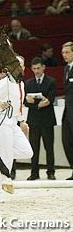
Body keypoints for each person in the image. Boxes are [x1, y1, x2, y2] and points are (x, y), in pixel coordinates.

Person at [0, 56, 33, 203]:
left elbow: (19, 105)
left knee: (27, 152)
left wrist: (22, 120)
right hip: (2, 120)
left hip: (13, 122)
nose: (20, 67)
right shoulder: (3, 83)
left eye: (22, 65)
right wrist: (0, 102)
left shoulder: (21, 84)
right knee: (6, 158)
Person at [25, 57, 57, 180]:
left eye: (38, 68)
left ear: (43, 67)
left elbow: (51, 98)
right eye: (34, 68)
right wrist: (30, 102)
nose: (36, 71)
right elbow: (25, 101)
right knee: (34, 147)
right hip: (33, 119)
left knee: (49, 146)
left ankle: (50, 171)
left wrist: (43, 102)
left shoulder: (51, 81)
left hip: (47, 119)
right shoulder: (28, 83)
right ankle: (34, 172)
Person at [0, 69, 17, 180]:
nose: (1, 72)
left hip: (12, 117)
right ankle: (6, 174)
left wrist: (21, 119)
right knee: (6, 146)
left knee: (10, 146)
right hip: (0, 117)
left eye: (3, 71)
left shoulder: (16, 83)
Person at [61, 41, 73, 180]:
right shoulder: (66, 69)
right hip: (68, 111)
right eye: (63, 52)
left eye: (67, 52)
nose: (64, 55)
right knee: (67, 141)